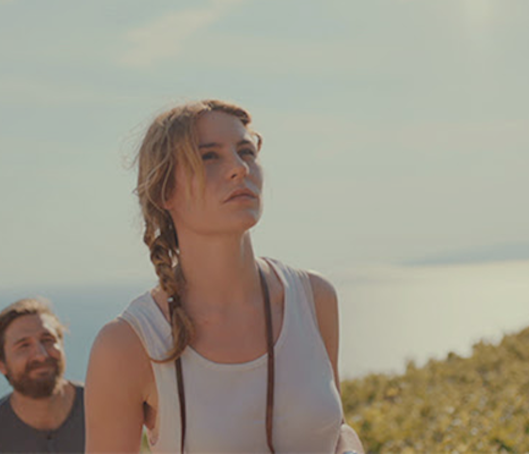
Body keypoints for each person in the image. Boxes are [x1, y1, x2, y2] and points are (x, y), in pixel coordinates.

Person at [85, 99, 364, 453]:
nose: (239, 168)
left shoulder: (314, 298)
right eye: (209, 156)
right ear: (164, 192)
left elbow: (335, 430)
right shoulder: (128, 344)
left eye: (246, 151)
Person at [0, 298, 85, 453]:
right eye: (24, 345)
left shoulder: (109, 407)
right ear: (1, 364)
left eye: (47, 340)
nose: (41, 355)